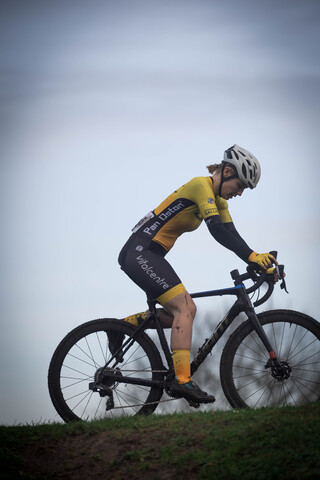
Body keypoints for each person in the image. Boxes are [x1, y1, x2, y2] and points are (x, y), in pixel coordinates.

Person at [112, 144, 278, 405]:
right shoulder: (201, 186)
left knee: (177, 314)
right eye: (240, 185)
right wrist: (252, 257)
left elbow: (232, 234)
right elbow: (217, 232)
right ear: (225, 171)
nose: (240, 192)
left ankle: (122, 327)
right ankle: (181, 380)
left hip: (148, 253)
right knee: (186, 308)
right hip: (140, 252)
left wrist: (257, 260)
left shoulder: (219, 201)